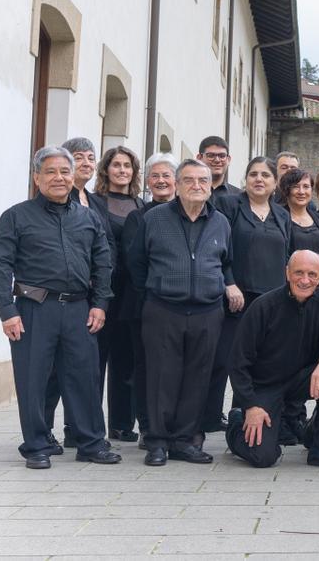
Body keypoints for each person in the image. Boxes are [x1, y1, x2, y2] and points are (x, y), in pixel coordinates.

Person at [0, 146, 120, 469]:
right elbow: (1, 266)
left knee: (85, 378)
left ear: (72, 176)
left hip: (78, 310)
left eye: (64, 171)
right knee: (33, 380)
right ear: (37, 177)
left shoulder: (88, 218)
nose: (59, 178)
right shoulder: (16, 216)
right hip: (34, 309)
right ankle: (36, 445)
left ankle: (91, 443)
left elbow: (103, 264)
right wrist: (6, 310)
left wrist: (100, 304)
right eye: (50, 171)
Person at [127, 159, 240, 467]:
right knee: (161, 376)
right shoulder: (154, 218)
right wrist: (158, 289)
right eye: (189, 180)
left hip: (208, 310)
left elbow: (226, 262)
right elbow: (137, 262)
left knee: (197, 377)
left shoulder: (220, 222)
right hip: (164, 309)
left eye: (203, 180)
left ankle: (184, 440)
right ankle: (157, 442)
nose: (196, 185)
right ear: (177, 185)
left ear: (211, 186)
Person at [225, 250, 319, 470]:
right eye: (298, 273)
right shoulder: (264, 306)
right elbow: (237, 362)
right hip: (265, 387)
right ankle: (237, 422)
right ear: (287, 272)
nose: (305, 280)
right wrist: (250, 405)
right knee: (263, 456)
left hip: (300, 380)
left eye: (312, 274)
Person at [207, 157, 291, 438]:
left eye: (265, 175)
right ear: (245, 179)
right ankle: (209, 417)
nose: (259, 179)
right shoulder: (230, 205)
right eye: (253, 174)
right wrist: (229, 283)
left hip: (272, 301)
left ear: (275, 182)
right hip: (237, 298)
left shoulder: (282, 215)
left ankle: (245, 415)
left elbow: (286, 256)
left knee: (262, 362)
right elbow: (218, 248)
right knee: (226, 358)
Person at [45, 137, 115, 446]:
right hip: (62, 297)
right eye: (79, 157)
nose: (86, 162)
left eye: (90, 157)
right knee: (53, 372)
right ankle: (44, 429)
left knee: (83, 369)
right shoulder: (58, 197)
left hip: (91, 298)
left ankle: (79, 430)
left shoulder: (96, 201)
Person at [120, 152, 179, 444]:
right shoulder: (138, 217)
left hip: (183, 306)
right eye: (155, 175)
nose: (161, 180)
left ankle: (174, 424)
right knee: (146, 368)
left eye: (166, 175)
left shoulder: (189, 213)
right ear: (146, 181)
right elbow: (135, 262)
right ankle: (147, 426)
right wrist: (155, 297)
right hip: (146, 305)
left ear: (177, 180)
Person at [92, 146, 144, 442]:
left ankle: (122, 424)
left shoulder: (141, 204)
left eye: (127, 166)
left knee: (126, 361)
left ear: (134, 172)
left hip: (130, 293)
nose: (122, 170)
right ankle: (89, 426)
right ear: (106, 170)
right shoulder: (95, 202)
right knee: (95, 361)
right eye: (116, 165)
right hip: (102, 291)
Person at [281, 168, 319, 288]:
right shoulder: (279, 218)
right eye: (296, 186)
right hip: (291, 286)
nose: (301, 191)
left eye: (306, 186)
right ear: (287, 190)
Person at [197, 136, 240, 209]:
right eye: (211, 155)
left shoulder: (239, 196)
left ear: (228, 159)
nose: (217, 160)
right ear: (199, 158)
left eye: (222, 156)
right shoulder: (189, 190)